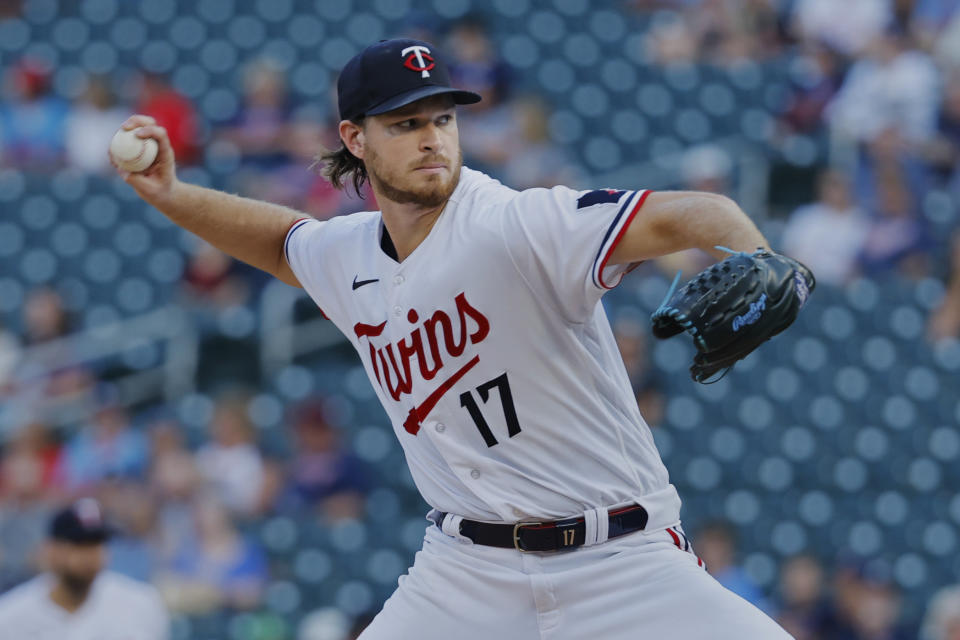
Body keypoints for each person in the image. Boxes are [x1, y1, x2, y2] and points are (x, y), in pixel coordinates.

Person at [113, 38, 795, 638]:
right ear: (355, 139)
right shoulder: (347, 256)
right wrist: (173, 194)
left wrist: (760, 253)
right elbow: (282, 245)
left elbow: (697, 212)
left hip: (621, 557)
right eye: (406, 123)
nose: (432, 137)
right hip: (467, 574)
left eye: (442, 118)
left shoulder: (517, 224)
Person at [0, 499, 169, 639]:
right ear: (50, 550)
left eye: (97, 544)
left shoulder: (141, 604)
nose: (90, 555)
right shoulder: (10, 617)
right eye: (79, 544)